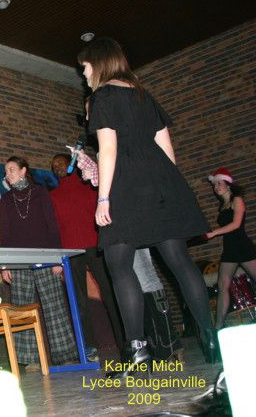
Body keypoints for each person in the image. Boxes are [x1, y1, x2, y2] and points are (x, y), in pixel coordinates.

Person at [78, 37, 217, 372]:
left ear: (99, 62)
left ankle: (137, 351)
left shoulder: (103, 97)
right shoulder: (143, 94)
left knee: (119, 265)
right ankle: (212, 339)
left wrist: (104, 198)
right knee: (180, 262)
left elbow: (108, 150)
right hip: (164, 184)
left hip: (128, 187)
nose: (83, 73)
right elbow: (167, 150)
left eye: (84, 66)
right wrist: (169, 191)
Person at [73, 145, 183, 360]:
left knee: (140, 278)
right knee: (143, 278)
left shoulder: (118, 146)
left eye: (89, 111)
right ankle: (161, 342)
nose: (88, 119)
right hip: (130, 218)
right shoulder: (119, 144)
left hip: (130, 220)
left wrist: (91, 168)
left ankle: (161, 343)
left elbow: (119, 179)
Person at [0, 156, 78, 368]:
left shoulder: (41, 193)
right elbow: (4, 234)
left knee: (55, 306)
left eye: (12, 170)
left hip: (45, 257)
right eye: (6, 171)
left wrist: (56, 258)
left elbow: (52, 225)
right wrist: (5, 264)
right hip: (19, 261)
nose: (8, 175)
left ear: (24, 170)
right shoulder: (6, 200)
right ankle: (30, 360)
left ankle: (65, 356)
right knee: (23, 309)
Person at [49, 153, 124, 360]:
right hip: (71, 252)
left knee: (109, 293)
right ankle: (89, 347)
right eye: (54, 165)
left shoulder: (90, 186)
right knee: (78, 300)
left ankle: (124, 340)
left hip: (95, 245)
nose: (57, 167)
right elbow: (54, 228)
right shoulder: (53, 195)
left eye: (61, 163)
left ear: (71, 163)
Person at [205, 167, 256, 329]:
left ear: (228, 184)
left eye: (219, 183)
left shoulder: (237, 200)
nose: (216, 187)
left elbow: (236, 224)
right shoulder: (223, 205)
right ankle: (218, 328)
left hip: (243, 247)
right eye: (215, 185)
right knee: (222, 287)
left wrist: (214, 232)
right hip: (230, 250)